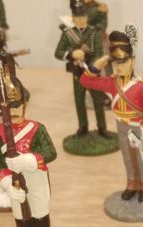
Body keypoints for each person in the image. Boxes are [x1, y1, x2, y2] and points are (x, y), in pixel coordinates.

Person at [0, 72, 59, 227]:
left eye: (18, 106)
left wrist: (29, 160)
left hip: (35, 178)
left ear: (25, 105)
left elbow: (50, 152)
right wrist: (5, 182)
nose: (15, 111)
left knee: (39, 212)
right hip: (14, 181)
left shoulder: (37, 128)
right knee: (20, 214)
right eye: (10, 107)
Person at [81, 26, 143, 202]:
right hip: (121, 125)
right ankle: (132, 183)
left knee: (141, 157)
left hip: (137, 126)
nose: (120, 66)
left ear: (132, 61)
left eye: (123, 61)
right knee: (127, 157)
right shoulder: (112, 83)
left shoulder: (141, 86)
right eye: (116, 62)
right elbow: (86, 81)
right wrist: (102, 61)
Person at [55, 0, 109, 138]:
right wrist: (72, 54)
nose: (81, 20)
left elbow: (99, 53)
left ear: (87, 17)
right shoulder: (68, 34)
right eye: (78, 18)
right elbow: (58, 52)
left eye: (83, 17)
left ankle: (102, 127)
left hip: (92, 74)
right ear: (73, 18)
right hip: (77, 73)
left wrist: (92, 68)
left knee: (98, 100)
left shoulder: (94, 33)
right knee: (79, 101)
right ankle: (83, 126)